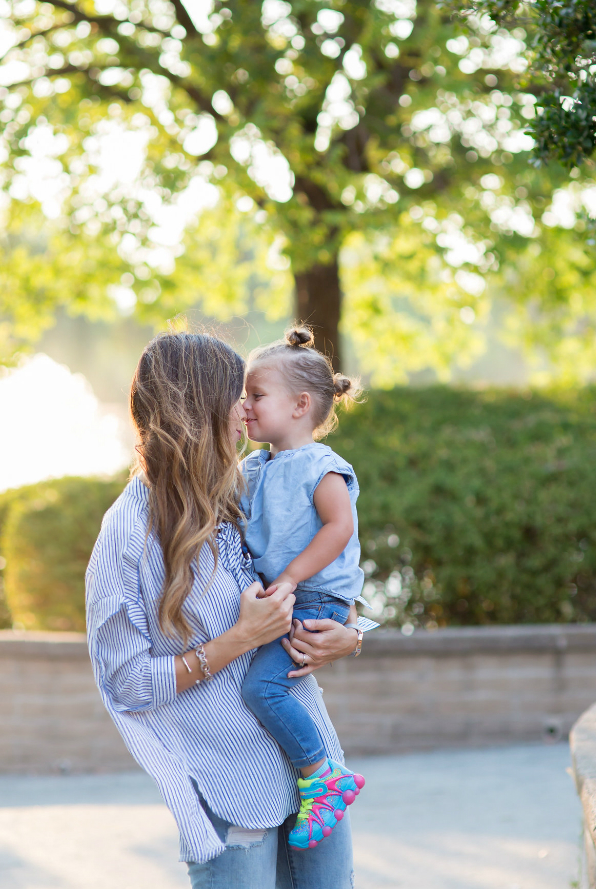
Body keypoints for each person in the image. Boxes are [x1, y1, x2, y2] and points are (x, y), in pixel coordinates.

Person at [85, 331, 363, 888]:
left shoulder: (245, 488)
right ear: (198, 406)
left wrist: (350, 632)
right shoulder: (129, 531)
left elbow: (324, 565)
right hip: (231, 789)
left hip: (316, 779)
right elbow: (128, 685)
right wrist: (237, 639)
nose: (246, 408)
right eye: (237, 394)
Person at [239, 327, 368, 851]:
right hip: (292, 594)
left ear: (300, 405)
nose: (243, 406)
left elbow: (340, 527)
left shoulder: (321, 466)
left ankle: (323, 775)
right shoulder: (253, 467)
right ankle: (315, 776)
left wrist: (290, 577)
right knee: (265, 685)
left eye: (255, 396)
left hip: (314, 596)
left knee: (262, 687)